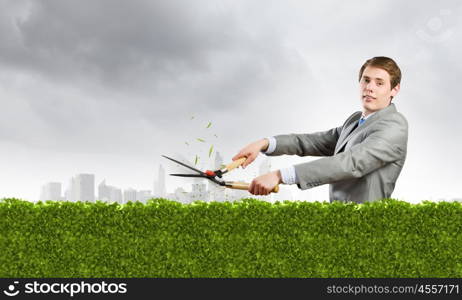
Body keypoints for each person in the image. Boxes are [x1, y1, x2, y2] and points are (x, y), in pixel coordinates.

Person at [232, 56, 408, 203]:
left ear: (394, 89)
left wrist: (280, 175)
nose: (370, 87)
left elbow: (350, 163)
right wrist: (264, 143)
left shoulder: (394, 126)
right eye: (366, 80)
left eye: (379, 83)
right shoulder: (356, 120)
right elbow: (313, 142)